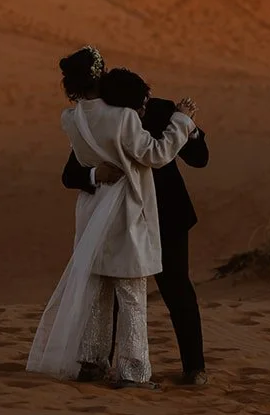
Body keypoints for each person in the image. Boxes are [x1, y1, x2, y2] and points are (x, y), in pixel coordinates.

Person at [26, 51, 196, 389]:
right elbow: (156, 154)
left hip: (92, 211)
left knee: (98, 288)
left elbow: (84, 160)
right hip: (126, 210)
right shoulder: (123, 118)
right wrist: (182, 121)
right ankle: (133, 372)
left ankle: (91, 361)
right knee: (131, 293)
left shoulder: (71, 119)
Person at [61, 91, 208, 385]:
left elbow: (199, 158)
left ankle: (194, 368)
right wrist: (95, 174)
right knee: (113, 290)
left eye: (146, 100)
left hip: (167, 217)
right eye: (140, 102)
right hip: (121, 221)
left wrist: (189, 129)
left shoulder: (162, 111)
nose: (145, 105)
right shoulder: (106, 119)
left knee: (177, 290)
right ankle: (97, 363)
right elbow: (72, 173)